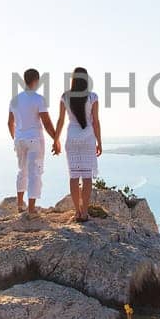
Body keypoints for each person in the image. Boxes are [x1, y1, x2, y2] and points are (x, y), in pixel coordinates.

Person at [6, 68, 59, 217]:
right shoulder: (38, 99)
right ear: (36, 81)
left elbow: (10, 122)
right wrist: (56, 139)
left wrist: (15, 138)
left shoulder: (14, 100)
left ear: (24, 80)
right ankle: (31, 209)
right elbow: (47, 123)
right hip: (34, 138)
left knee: (22, 170)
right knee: (34, 172)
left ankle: (19, 204)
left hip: (20, 139)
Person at [54, 66, 102, 221]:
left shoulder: (65, 97)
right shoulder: (92, 97)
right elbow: (95, 122)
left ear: (73, 80)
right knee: (87, 177)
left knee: (74, 176)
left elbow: (61, 120)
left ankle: (77, 211)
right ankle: (85, 212)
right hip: (88, 137)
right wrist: (99, 142)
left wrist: (56, 139)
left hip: (71, 137)